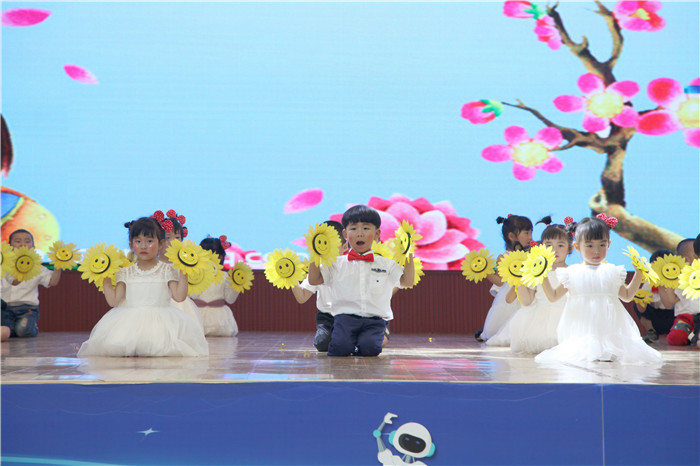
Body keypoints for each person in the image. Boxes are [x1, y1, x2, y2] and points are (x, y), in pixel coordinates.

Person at [535, 216, 661, 364]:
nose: (596, 251)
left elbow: (627, 296)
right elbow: (553, 296)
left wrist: (639, 274)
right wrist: (541, 275)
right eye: (589, 246)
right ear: (577, 246)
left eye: (602, 245)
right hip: (582, 333)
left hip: (610, 331)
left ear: (609, 244)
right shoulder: (572, 273)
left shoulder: (612, 271)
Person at [77, 217, 209, 357]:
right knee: (116, 345)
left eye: (149, 241)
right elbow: (113, 301)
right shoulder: (125, 272)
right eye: (138, 241)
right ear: (131, 244)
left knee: (159, 346)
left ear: (160, 243)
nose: (144, 246)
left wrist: (184, 271)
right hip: (130, 323)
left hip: (161, 323)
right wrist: (105, 277)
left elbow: (179, 297)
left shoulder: (166, 270)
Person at [307, 205, 414, 357]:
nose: (360, 233)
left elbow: (408, 282)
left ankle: (363, 343)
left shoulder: (386, 264)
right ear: (345, 234)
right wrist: (315, 252)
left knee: (370, 349)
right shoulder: (336, 264)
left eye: (366, 228)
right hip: (344, 319)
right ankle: (350, 344)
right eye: (353, 228)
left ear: (377, 234)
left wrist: (407, 253)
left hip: (375, 320)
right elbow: (313, 280)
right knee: (339, 349)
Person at [487, 217, 571, 353]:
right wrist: (520, 279)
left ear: (570, 248)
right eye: (549, 245)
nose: (554, 250)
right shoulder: (535, 272)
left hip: (565, 319)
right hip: (539, 320)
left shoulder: (572, 271)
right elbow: (527, 301)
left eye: (560, 246)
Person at [292, 220, 347, 352]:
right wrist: (290, 277)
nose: (326, 249)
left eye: (331, 245)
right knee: (322, 343)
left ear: (345, 247)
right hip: (327, 319)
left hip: (348, 316)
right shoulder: (318, 268)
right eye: (322, 243)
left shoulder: (351, 266)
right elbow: (302, 297)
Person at [477, 214, 533, 342]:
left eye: (531, 233)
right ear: (511, 236)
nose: (530, 237)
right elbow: (500, 281)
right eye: (526, 233)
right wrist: (485, 272)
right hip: (509, 296)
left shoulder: (531, 254)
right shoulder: (503, 257)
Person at [1, 229, 61, 339]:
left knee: (22, 331)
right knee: (8, 332)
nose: (22, 244)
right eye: (18, 241)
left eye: (27, 241)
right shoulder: (3, 265)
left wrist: (58, 265)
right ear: (9, 246)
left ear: (33, 247)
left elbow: (52, 281)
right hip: (4, 309)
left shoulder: (37, 267)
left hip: (27, 309)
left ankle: (31, 327)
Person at [158, 211, 204, 333]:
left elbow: (195, 293)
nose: (173, 242)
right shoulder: (153, 265)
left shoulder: (185, 265)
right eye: (167, 238)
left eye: (177, 237)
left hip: (182, 307)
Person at [191, 236, 240, 337]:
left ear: (220, 257)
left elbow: (230, 299)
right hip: (198, 317)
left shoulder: (224, 276)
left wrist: (237, 285)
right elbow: (193, 295)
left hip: (220, 320)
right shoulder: (194, 274)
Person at [659, 238, 700, 346]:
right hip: (685, 318)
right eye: (697, 255)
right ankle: (692, 337)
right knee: (676, 337)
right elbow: (669, 302)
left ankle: (695, 337)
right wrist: (664, 285)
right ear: (686, 260)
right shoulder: (677, 278)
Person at [633, 249, 676, 343]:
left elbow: (668, 304)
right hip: (657, 317)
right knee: (637, 302)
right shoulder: (649, 283)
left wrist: (661, 287)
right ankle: (652, 332)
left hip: (673, 316)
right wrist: (640, 299)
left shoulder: (676, 282)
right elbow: (642, 310)